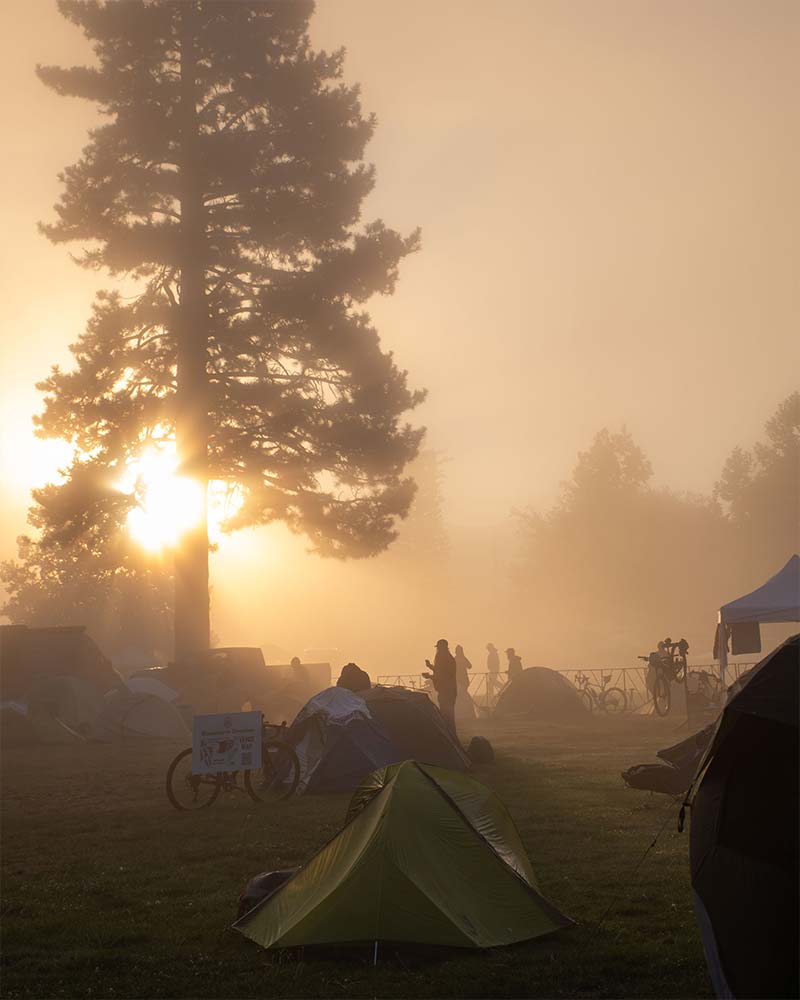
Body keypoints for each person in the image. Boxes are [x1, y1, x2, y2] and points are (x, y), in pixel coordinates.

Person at [423, 639, 458, 738]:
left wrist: (430, 676)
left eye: (438, 647)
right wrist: (430, 666)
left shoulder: (443, 658)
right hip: (449, 690)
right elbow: (440, 671)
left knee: (447, 715)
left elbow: (442, 675)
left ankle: (450, 736)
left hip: (446, 690)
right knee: (448, 714)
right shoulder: (448, 658)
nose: (437, 649)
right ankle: (451, 735)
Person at [454, 644, 477, 720]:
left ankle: (465, 712)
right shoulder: (463, 658)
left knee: (462, 696)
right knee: (464, 695)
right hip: (464, 680)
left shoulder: (455, 659)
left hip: (459, 680)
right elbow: (470, 666)